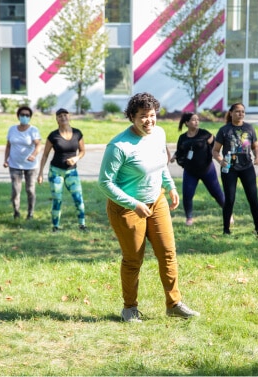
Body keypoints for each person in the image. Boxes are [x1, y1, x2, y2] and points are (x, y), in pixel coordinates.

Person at [98, 92, 200, 322]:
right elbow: (105, 182)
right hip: (126, 208)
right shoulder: (119, 146)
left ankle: (174, 303)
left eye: (152, 115)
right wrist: (133, 204)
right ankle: (129, 308)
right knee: (133, 260)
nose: (149, 121)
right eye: (143, 116)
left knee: (168, 253)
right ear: (132, 117)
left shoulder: (158, 133)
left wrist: (170, 186)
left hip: (157, 201)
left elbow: (160, 163)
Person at [212, 102, 258, 235]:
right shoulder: (224, 130)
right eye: (237, 111)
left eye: (243, 112)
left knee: (253, 198)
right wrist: (220, 161)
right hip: (229, 169)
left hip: (247, 168)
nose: (240, 114)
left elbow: (255, 146)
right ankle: (226, 229)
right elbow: (215, 151)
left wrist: (257, 157)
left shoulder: (249, 128)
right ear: (231, 113)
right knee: (230, 199)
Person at [170, 112, 225, 226]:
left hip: (207, 170)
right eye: (194, 120)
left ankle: (228, 214)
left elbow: (215, 146)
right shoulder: (183, 138)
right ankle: (189, 218)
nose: (197, 122)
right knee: (187, 195)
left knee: (217, 193)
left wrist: (219, 158)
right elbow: (180, 151)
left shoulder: (204, 134)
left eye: (197, 119)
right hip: (190, 172)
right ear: (187, 123)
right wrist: (174, 156)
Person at [37, 108, 86, 231]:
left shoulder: (77, 133)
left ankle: (82, 225)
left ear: (69, 117)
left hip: (72, 172)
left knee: (78, 198)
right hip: (56, 172)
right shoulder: (53, 136)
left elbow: (82, 151)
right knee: (57, 199)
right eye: (60, 116)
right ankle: (55, 226)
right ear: (57, 119)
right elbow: (45, 155)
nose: (63, 118)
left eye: (65, 115)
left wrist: (76, 158)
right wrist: (40, 173)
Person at [3, 106, 42, 220]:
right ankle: (16, 212)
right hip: (15, 165)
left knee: (30, 189)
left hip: (30, 166)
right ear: (18, 116)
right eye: (22, 115)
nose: (24, 117)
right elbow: (8, 146)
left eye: (27, 115)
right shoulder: (12, 129)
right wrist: (6, 160)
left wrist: (33, 155)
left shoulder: (33, 130)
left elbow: (38, 145)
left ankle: (30, 213)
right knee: (16, 190)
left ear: (30, 117)